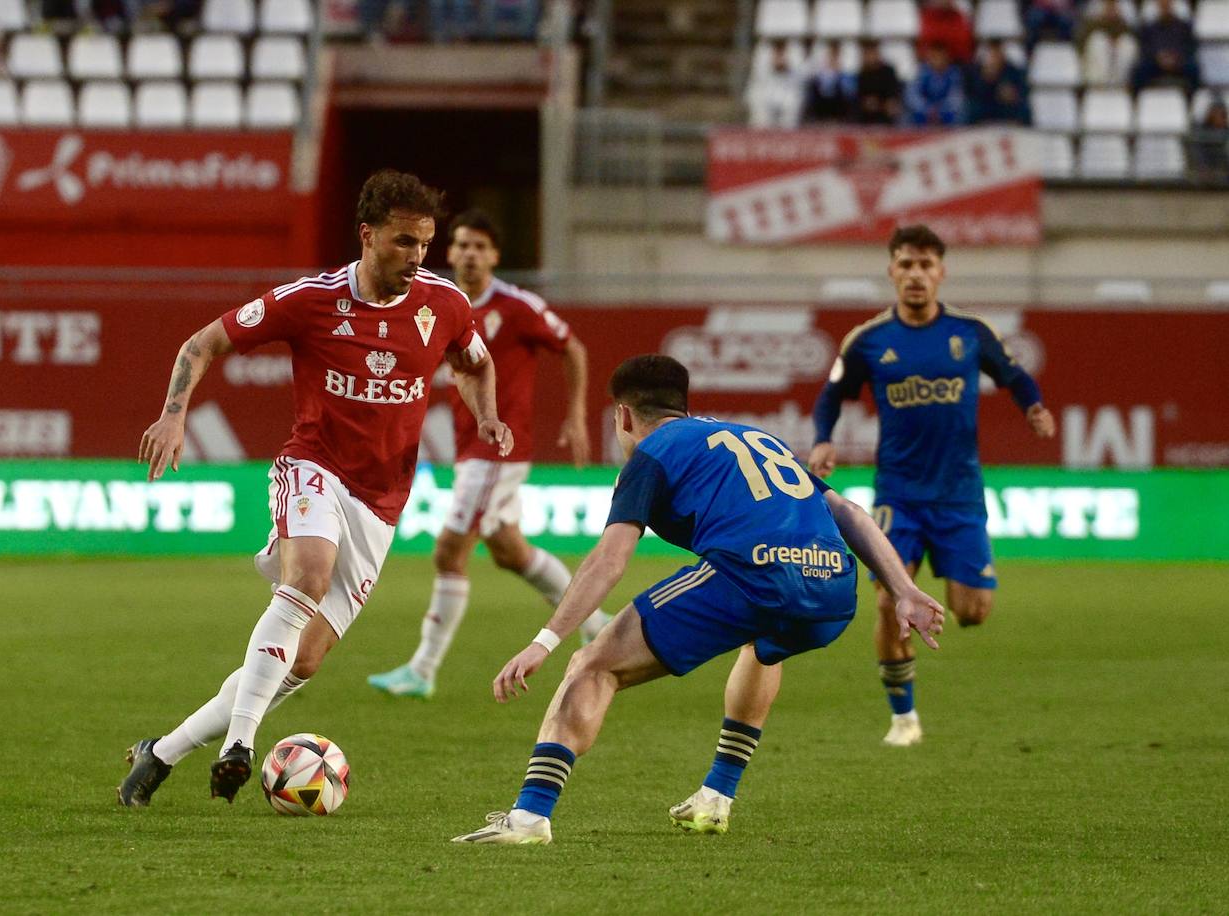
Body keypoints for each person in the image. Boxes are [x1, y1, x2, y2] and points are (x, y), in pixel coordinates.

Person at [117, 170, 513, 807]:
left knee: (300, 663)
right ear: (367, 235)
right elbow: (204, 343)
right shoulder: (309, 299)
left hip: (382, 502)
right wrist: (173, 414)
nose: (417, 257)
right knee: (305, 580)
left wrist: (486, 413)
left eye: (424, 244)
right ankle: (240, 745)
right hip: (313, 467)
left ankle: (161, 753)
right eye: (403, 242)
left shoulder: (443, 304)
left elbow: (475, 363)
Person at [452, 355, 945, 844]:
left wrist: (545, 640)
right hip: (835, 586)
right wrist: (904, 590)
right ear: (683, 407)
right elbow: (849, 511)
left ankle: (529, 817)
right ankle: (716, 797)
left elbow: (610, 559)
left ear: (623, 415)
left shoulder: (653, 453)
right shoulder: (757, 439)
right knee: (763, 643)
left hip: (752, 571)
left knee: (592, 665)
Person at [808, 225, 1055, 748]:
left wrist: (1033, 407)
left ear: (941, 272)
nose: (916, 275)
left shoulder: (971, 333)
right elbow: (831, 394)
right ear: (892, 272)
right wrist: (824, 439)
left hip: (960, 495)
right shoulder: (869, 340)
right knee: (885, 602)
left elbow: (1013, 375)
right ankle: (904, 718)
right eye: (905, 265)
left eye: (925, 265)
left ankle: (955, 584)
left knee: (972, 613)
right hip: (897, 496)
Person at [367, 209, 608, 699]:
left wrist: (577, 415)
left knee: (449, 549)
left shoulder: (517, 306)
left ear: (494, 256)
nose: (470, 254)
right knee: (510, 551)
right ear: (449, 252)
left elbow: (573, 348)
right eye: (462, 245)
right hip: (468, 446)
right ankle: (597, 624)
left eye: (481, 246)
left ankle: (423, 668)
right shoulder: (438, 302)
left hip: (497, 447)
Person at [1133, 0, 1199, 92]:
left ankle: (1192, 99)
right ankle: (1137, 99)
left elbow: (1190, 46)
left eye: (1167, 4)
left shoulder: (1183, 26)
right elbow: (1145, 48)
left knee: (1193, 69)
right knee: (1139, 71)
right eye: (1162, 4)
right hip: (1156, 62)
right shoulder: (1149, 28)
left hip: (1179, 62)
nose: (1165, 7)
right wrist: (1158, 57)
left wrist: (1176, 57)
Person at [967, 39, 1031, 124]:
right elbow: (975, 92)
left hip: (1007, 105)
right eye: (993, 54)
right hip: (988, 104)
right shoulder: (979, 70)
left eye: (998, 53)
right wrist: (987, 80)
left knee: (1024, 109)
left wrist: (1014, 94)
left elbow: (1023, 89)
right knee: (973, 108)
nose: (996, 57)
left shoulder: (1013, 70)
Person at [1077, 0, 1137, 87]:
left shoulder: (1124, 20)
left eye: (1113, 7)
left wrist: (1114, 41)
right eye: (1109, 7)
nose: (1111, 9)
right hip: (1096, 57)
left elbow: (1132, 34)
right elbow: (1082, 38)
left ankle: (1121, 83)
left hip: (1118, 52)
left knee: (1127, 43)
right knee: (1098, 41)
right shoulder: (1092, 23)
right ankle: (1100, 84)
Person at [905, 43, 967, 126]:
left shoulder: (953, 73)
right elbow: (912, 95)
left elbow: (956, 96)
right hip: (925, 113)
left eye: (940, 57)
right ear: (929, 58)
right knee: (909, 115)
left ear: (946, 58)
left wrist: (941, 110)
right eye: (934, 57)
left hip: (946, 113)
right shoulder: (923, 72)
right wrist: (927, 109)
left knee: (961, 113)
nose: (938, 61)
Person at [802, 40, 856, 123]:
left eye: (836, 56)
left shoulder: (846, 76)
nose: (833, 59)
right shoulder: (818, 76)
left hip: (839, 113)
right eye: (831, 56)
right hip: (821, 112)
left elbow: (849, 95)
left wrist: (839, 74)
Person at [855, 39, 903, 125]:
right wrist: (867, 103)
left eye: (872, 53)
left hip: (887, 112)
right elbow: (859, 97)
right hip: (867, 114)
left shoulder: (889, 71)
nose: (869, 57)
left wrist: (888, 103)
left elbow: (894, 93)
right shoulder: (862, 74)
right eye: (867, 54)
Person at [917, 0, 974, 65]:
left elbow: (964, 44)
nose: (943, 1)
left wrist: (947, 55)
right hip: (931, 63)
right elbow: (926, 42)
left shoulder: (958, 16)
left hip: (956, 62)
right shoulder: (928, 16)